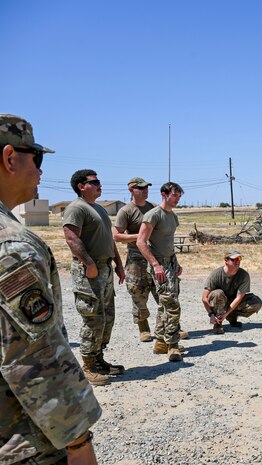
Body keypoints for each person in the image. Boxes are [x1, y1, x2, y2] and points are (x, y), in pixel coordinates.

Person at [0, 114, 101, 464]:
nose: (41, 172)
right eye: (37, 159)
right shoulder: (11, 246)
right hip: (19, 438)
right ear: (10, 158)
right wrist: (78, 441)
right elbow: (33, 354)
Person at [63, 169, 126, 386]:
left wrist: (118, 264)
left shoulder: (98, 208)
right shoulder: (76, 208)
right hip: (89, 271)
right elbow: (71, 238)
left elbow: (109, 239)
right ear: (81, 186)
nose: (100, 185)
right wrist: (89, 263)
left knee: (107, 316)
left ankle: (99, 359)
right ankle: (88, 367)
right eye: (95, 182)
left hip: (105, 268)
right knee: (93, 318)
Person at [137, 182, 185, 362]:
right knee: (172, 305)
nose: (178, 198)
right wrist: (156, 265)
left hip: (170, 263)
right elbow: (141, 242)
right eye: (175, 195)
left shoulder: (172, 216)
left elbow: (169, 242)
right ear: (164, 194)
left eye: (180, 196)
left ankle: (160, 342)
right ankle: (172, 345)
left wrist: (176, 263)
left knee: (165, 304)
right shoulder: (153, 215)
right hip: (160, 266)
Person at [113, 177, 159, 342]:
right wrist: (140, 237)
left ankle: (170, 325)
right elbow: (117, 236)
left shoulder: (153, 208)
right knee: (137, 291)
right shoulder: (126, 211)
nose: (145, 190)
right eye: (141, 188)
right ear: (132, 190)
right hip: (136, 257)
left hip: (155, 254)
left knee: (162, 289)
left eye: (146, 187)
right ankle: (143, 327)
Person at [201, 251, 262, 334]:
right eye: (234, 259)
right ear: (226, 261)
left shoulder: (244, 275)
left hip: (234, 301)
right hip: (220, 301)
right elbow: (204, 298)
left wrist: (226, 314)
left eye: (239, 258)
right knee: (217, 294)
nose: (237, 261)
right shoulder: (215, 275)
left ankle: (232, 316)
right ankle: (218, 323)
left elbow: (239, 297)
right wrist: (211, 314)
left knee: (256, 302)